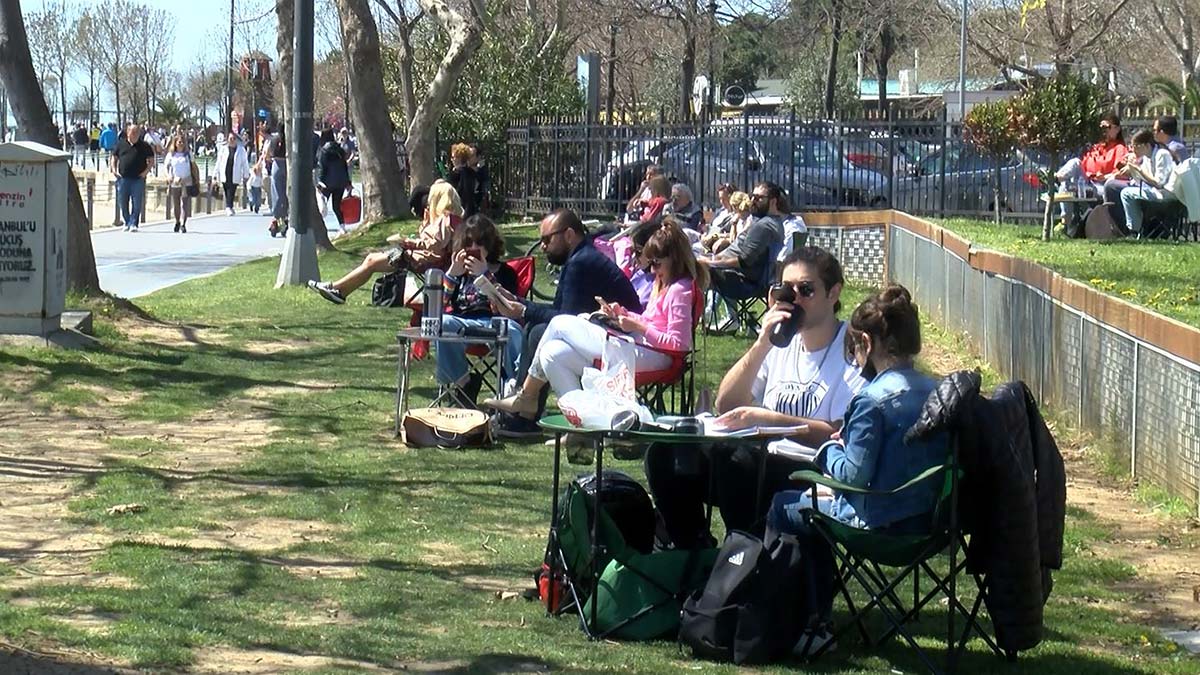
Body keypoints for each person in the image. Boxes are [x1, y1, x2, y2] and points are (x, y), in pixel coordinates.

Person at [764, 284, 946, 655]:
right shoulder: (940, 394)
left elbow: (852, 476)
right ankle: (811, 617)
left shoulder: (871, 400)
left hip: (878, 524)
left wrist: (829, 449)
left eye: (854, 349)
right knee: (811, 505)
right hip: (933, 525)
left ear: (865, 341)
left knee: (785, 505)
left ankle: (804, 621)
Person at [644, 246, 867, 549]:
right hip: (755, 462)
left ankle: (745, 559)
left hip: (810, 470)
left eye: (805, 290)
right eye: (786, 290)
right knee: (665, 454)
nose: (794, 300)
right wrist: (762, 343)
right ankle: (695, 553)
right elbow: (727, 403)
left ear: (833, 292)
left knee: (737, 461)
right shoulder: (781, 341)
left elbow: (842, 435)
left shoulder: (851, 351)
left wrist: (770, 421)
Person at [486, 218, 705, 422]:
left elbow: (679, 345)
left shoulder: (680, 289)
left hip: (659, 358)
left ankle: (527, 395)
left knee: (560, 323)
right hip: (640, 348)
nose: (653, 270)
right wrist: (622, 314)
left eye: (656, 263)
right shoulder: (664, 284)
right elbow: (652, 320)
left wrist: (638, 326)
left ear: (673, 259)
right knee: (552, 353)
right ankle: (582, 424)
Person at [484, 209, 642, 437]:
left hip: (625, 342)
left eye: (547, 239)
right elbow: (562, 313)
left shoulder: (581, 262)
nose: (542, 246)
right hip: (606, 335)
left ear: (568, 235)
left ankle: (525, 410)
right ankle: (529, 409)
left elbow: (565, 319)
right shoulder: (580, 257)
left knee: (539, 331)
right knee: (536, 328)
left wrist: (524, 309)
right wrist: (518, 302)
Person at [308, 182, 462, 304]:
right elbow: (433, 241)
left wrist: (407, 242)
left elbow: (433, 244)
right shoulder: (454, 219)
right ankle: (338, 289)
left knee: (371, 260)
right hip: (429, 260)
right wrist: (426, 223)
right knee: (372, 259)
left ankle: (338, 290)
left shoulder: (445, 219)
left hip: (426, 261)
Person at [435, 215, 526, 406]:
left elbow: (508, 305)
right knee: (442, 323)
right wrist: (451, 274)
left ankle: (513, 387)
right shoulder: (459, 273)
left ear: (490, 244)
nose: (474, 247)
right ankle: (464, 384)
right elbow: (439, 304)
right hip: (462, 321)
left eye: (480, 242)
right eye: (469, 243)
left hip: (494, 321)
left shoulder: (505, 272)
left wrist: (485, 274)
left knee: (511, 329)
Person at [700, 181, 787, 332]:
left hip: (743, 283)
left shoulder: (764, 227)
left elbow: (744, 261)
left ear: (773, 201)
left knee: (692, 268)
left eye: (759, 198)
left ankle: (685, 321)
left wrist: (710, 263)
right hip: (744, 277)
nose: (753, 200)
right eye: (752, 196)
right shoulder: (769, 223)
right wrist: (712, 259)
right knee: (695, 261)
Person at [1057, 113, 1127, 221]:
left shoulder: (1119, 149)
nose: (1104, 131)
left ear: (1117, 129)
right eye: (1101, 128)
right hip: (1086, 182)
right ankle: (1057, 178)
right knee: (1074, 163)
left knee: (1065, 187)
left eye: (1107, 127)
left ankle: (1066, 220)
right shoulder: (1096, 147)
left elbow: (1122, 173)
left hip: (1102, 186)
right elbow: (1083, 165)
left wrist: (1105, 177)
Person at [1119, 128, 1179, 236]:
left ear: (1146, 145)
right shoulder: (1147, 157)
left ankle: (1134, 230)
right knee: (1124, 191)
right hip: (1156, 191)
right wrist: (1132, 170)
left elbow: (1159, 183)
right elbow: (1141, 181)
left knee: (1126, 193)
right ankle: (1137, 229)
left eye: (1136, 146)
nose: (1133, 150)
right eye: (1132, 146)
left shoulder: (1162, 154)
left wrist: (1138, 169)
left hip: (1167, 194)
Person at [110, 123, 155, 232]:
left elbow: (151, 160)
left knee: (137, 202)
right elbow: (114, 158)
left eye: (137, 132)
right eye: (133, 132)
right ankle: (127, 222)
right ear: (128, 132)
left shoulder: (144, 145)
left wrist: (145, 172)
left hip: (138, 179)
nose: (135, 134)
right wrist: (114, 170)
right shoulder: (121, 144)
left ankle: (134, 223)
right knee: (122, 201)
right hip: (123, 178)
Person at [317, 128, 351, 231]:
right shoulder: (339, 150)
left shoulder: (324, 150)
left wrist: (320, 181)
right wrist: (348, 182)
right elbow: (344, 166)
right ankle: (342, 227)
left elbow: (323, 168)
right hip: (340, 182)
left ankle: (319, 224)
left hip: (328, 182)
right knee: (336, 206)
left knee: (321, 200)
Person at [163, 134, 194, 233]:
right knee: (176, 203)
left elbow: (193, 166)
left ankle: (183, 224)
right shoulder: (171, 155)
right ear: (175, 143)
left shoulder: (188, 154)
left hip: (186, 181)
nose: (181, 144)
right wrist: (168, 176)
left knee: (185, 203)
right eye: (179, 142)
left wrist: (194, 179)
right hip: (175, 182)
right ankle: (177, 221)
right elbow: (165, 167)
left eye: (183, 142)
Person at [215, 131, 251, 216]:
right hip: (225, 171)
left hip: (235, 172)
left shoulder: (241, 150)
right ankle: (229, 206)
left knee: (232, 189)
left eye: (234, 139)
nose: (232, 140)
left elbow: (245, 163)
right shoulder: (223, 149)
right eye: (230, 138)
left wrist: (246, 174)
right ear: (227, 139)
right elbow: (218, 162)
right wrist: (215, 174)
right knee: (226, 189)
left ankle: (229, 206)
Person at [265, 125, 289, 236]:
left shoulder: (274, 139)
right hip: (287, 165)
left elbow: (268, 154)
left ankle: (277, 218)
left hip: (276, 165)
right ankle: (284, 218)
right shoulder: (289, 139)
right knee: (286, 193)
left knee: (277, 193)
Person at [447, 143, 480, 218]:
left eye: (453, 157)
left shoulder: (456, 174)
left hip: (458, 208)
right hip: (471, 209)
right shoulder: (472, 173)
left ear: (459, 158)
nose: (452, 160)